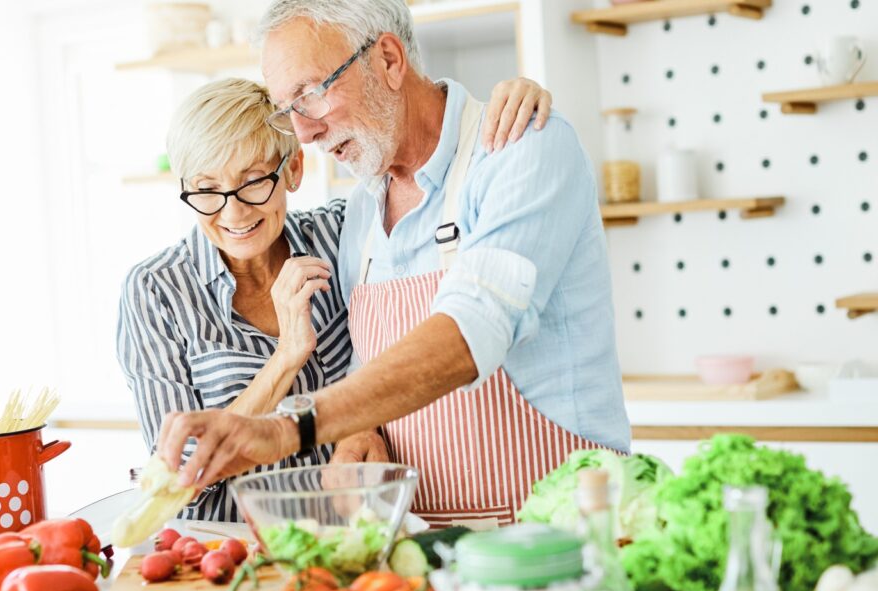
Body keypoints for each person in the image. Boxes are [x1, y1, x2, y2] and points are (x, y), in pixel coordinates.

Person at [155, 0, 632, 528]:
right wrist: (364, 431)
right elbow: (372, 362)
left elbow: (471, 332)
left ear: (387, 59)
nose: (305, 133)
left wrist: (295, 427)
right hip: (420, 544)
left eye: (310, 94)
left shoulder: (519, 150)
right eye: (286, 107)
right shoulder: (363, 207)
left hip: (559, 527)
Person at [117, 75, 552, 521]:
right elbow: (175, 480)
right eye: (207, 190)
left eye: (252, 182)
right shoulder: (156, 291)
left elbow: (437, 184)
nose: (233, 212)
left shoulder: (343, 230)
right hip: (225, 551)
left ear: (292, 171)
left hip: (350, 541)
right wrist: (286, 355)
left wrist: (497, 108)